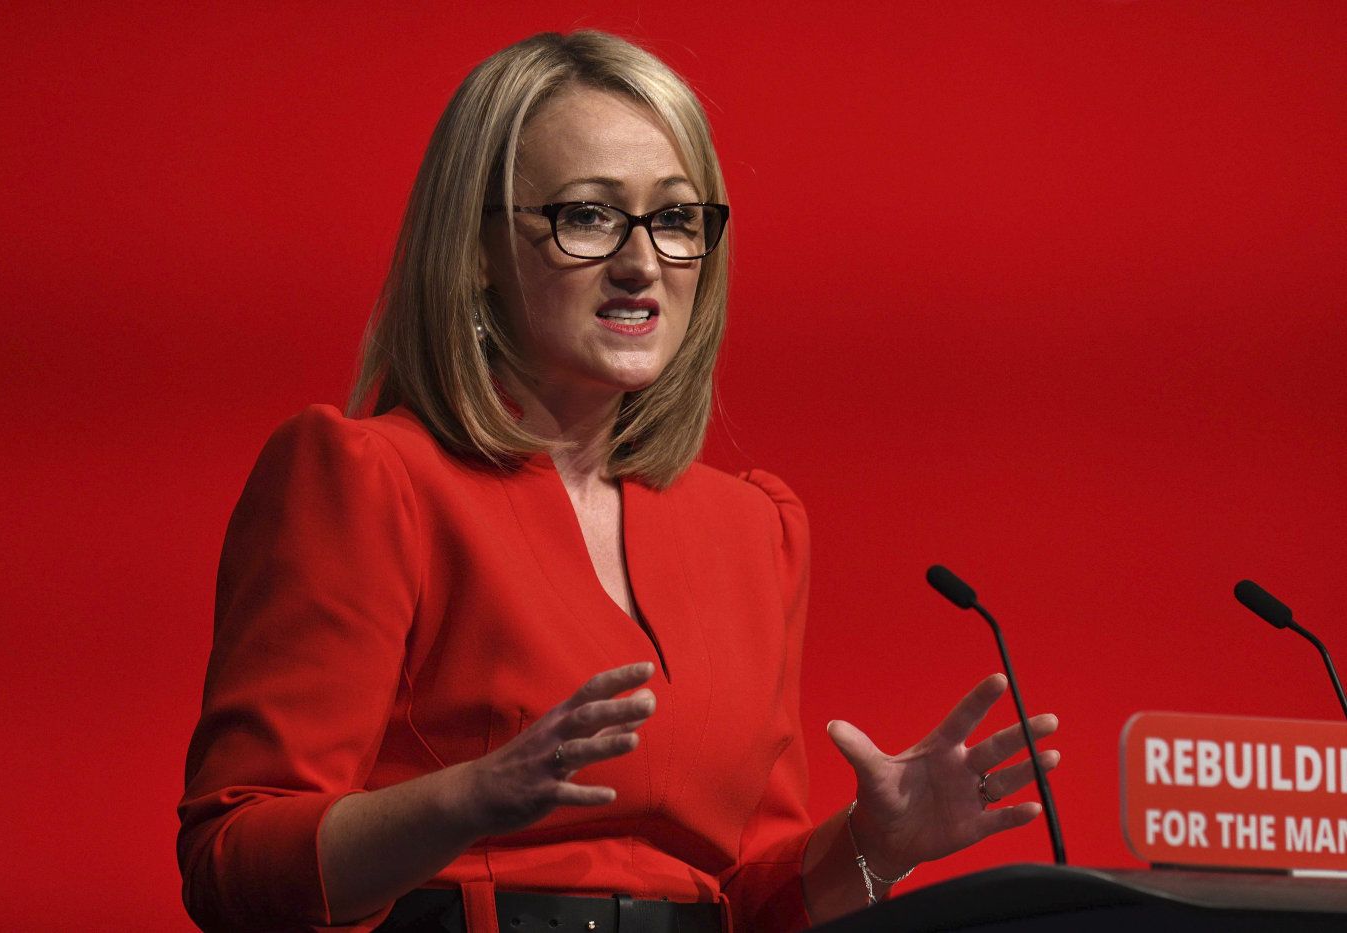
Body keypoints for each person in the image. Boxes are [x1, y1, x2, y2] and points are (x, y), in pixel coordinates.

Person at [177, 29, 1060, 933]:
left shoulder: (754, 530)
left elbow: (747, 900)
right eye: (589, 215)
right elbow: (232, 861)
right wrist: (468, 799)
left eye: (675, 219)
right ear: (475, 248)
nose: (642, 262)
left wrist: (881, 841)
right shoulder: (370, 479)